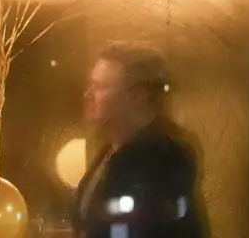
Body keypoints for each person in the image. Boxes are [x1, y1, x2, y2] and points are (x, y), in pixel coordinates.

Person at [73, 42, 209, 238]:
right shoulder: (109, 153)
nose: (88, 95)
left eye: (101, 87)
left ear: (136, 97)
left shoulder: (163, 164)